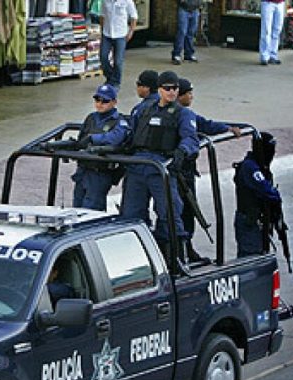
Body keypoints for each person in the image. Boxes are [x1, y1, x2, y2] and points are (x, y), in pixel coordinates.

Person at [121, 70, 189, 262]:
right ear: (159, 89)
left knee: (169, 215)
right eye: (167, 88)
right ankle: (135, 260)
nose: (172, 92)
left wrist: (182, 151)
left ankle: (175, 262)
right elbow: (129, 134)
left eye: (175, 88)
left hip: (161, 168)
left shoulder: (182, 113)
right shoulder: (144, 110)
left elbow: (190, 138)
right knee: (131, 216)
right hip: (137, 166)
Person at [174, 77, 241, 258]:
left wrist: (227, 128)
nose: (191, 96)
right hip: (177, 173)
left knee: (187, 211)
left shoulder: (185, 114)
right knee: (181, 212)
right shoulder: (177, 114)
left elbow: (205, 124)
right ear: (179, 95)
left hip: (183, 172)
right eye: (189, 93)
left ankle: (185, 248)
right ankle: (180, 251)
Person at [72, 84, 130, 211]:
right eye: (97, 100)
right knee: (76, 208)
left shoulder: (119, 121)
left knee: (91, 211)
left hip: (100, 172)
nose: (100, 103)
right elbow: (81, 139)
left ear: (114, 102)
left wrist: (94, 138)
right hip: (83, 170)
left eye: (105, 101)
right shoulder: (91, 118)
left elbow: (115, 138)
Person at [233, 132, 282, 257]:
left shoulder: (260, 166)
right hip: (250, 222)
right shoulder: (250, 167)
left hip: (258, 222)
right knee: (251, 258)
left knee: (261, 254)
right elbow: (267, 190)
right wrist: (275, 196)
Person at [99, 0, 138, 88]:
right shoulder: (105, 1)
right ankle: (110, 78)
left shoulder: (127, 1)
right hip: (107, 33)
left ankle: (116, 82)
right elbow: (102, 15)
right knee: (103, 57)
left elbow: (134, 16)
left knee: (118, 61)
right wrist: (101, 30)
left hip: (121, 34)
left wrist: (131, 32)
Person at [172, 0, 201, 64]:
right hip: (184, 8)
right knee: (182, 31)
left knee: (191, 32)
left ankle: (189, 54)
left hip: (195, 9)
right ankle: (176, 54)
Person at [259, 0, 286, 65]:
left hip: (280, 3)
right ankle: (265, 57)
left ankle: (273, 55)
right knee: (266, 30)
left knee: (277, 30)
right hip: (268, 2)